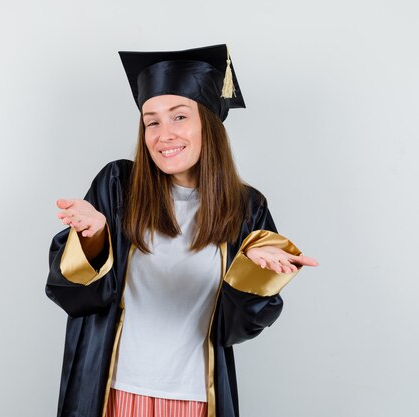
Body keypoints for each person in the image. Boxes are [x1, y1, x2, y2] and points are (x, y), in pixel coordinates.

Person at [45, 44, 318, 417]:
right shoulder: (117, 186)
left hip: (196, 397)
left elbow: (233, 330)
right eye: (151, 121)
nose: (164, 134)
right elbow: (74, 298)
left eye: (179, 117)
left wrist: (253, 274)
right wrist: (92, 239)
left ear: (208, 122)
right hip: (112, 392)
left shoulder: (246, 208)